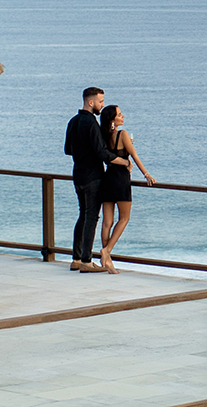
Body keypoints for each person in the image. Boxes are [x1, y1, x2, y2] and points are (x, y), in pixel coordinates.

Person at [96, 105, 157, 273]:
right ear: (112, 119)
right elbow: (134, 156)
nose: (123, 117)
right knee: (124, 218)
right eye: (119, 115)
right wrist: (147, 174)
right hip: (121, 179)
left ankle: (107, 261)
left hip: (107, 178)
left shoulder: (103, 135)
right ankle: (106, 251)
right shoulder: (122, 135)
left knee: (107, 222)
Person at [64, 86, 118, 273]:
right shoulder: (91, 123)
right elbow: (102, 152)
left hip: (77, 174)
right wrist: (122, 161)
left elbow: (67, 150)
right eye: (100, 101)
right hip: (93, 176)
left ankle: (76, 258)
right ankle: (87, 260)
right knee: (92, 217)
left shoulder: (73, 121)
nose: (102, 105)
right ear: (90, 102)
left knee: (83, 215)